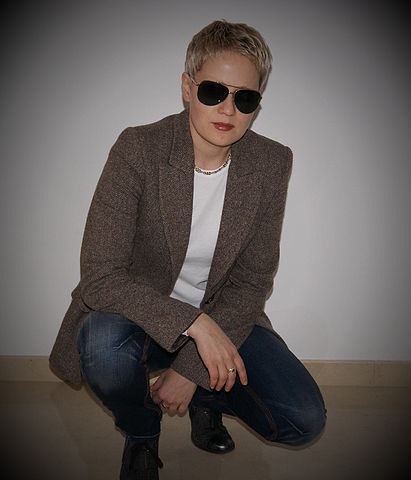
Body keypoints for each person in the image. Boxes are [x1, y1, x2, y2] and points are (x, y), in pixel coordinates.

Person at [50, 19, 326, 480]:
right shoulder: (139, 148)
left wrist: (191, 371)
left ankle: (205, 400)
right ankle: (142, 434)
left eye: (245, 98)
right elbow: (100, 275)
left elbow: (252, 281)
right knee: (102, 347)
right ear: (187, 87)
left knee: (303, 420)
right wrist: (195, 325)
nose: (228, 109)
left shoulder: (272, 162)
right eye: (214, 91)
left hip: (226, 318)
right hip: (139, 317)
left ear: (257, 104)